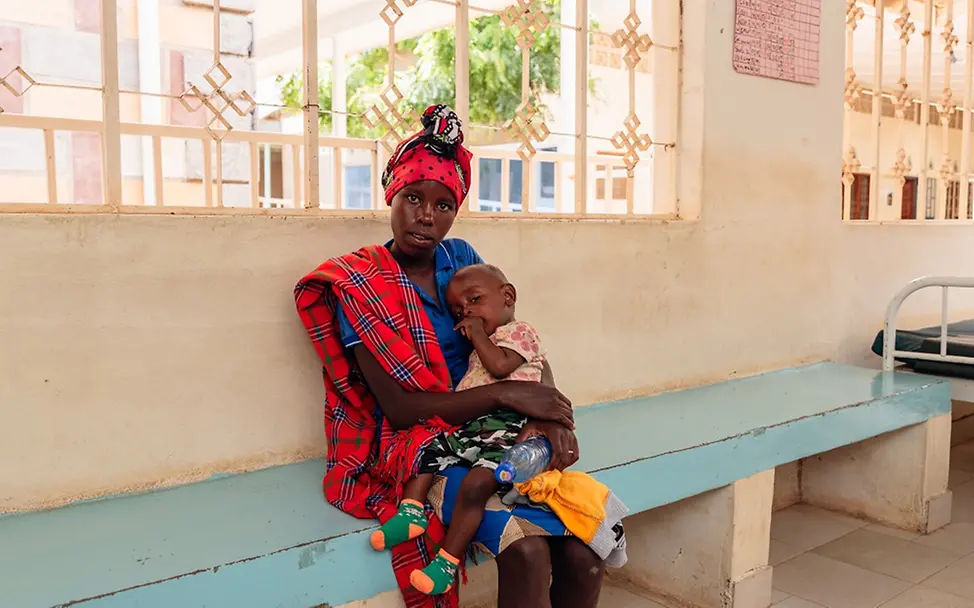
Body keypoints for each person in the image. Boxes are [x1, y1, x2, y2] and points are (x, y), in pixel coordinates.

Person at [295, 105, 605, 608]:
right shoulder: (360, 285)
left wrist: (551, 421)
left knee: (584, 555)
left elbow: (518, 343)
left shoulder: (460, 260)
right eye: (413, 198)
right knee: (527, 554)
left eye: (443, 205)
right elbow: (399, 409)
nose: (426, 216)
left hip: (499, 429)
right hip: (422, 442)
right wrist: (509, 394)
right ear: (390, 194)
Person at [370, 263, 548, 596]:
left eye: (475, 300)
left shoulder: (520, 332)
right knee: (427, 451)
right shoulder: (487, 341)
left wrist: (478, 334)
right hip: (474, 424)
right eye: (459, 310)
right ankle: (411, 513)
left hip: (507, 428)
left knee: (477, 483)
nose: (467, 313)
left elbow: (499, 368)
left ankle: (446, 562)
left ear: (507, 296)